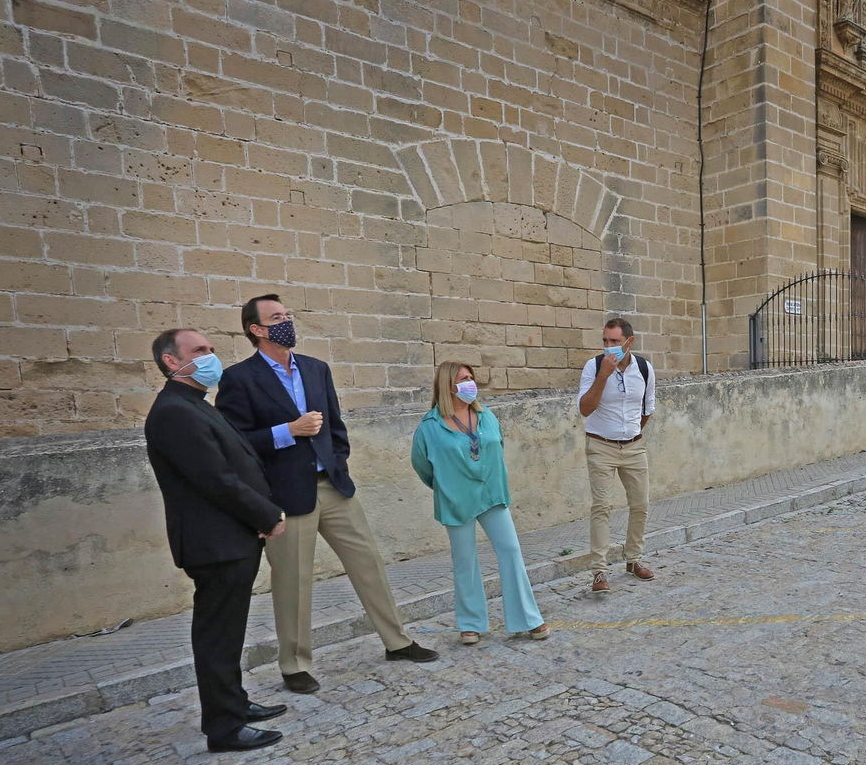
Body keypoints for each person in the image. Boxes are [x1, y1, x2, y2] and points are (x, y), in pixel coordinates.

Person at [215, 295, 437, 693]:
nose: (287, 321)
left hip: (332, 488)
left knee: (368, 562)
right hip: (284, 496)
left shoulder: (316, 369)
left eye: (288, 315)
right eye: (277, 317)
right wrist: (289, 432)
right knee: (293, 581)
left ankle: (397, 641)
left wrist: (339, 463)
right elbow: (235, 444)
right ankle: (294, 663)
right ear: (256, 329)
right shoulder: (240, 378)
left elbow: (335, 426)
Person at [143, 329, 289, 752]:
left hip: (232, 537)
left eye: (211, 349)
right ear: (172, 362)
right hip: (216, 542)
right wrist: (266, 515)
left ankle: (235, 704)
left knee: (228, 633)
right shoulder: (174, 411)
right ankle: (225, 728)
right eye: (200, 351)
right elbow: (216, 479)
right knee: (217, 637)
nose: (211, 357)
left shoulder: (194, 403)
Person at [412, 362, 550, 645]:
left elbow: (497, 448)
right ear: (448, 384)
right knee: (464, 560)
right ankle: (470, 623)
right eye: (464, 378)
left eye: (471, 378)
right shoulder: (430, 426)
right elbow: (422, 465)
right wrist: (446, 486)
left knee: (510, 549)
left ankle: (528, 618)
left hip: (492, 494)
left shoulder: (486, 416)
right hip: (456, 499)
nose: (470, 383)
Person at [576, 317, 656, 593]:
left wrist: (631, 433)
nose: (609, 347)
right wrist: (603, 376)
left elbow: (647, 410)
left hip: (634, 446)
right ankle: (599, 571)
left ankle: (633, 560)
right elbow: (585, 409)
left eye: (615, 342)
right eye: (605, 341)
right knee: (602, 507)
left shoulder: (644, 369)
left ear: (629, 342)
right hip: (600, 446)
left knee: (641, 505)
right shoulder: (594, 366)